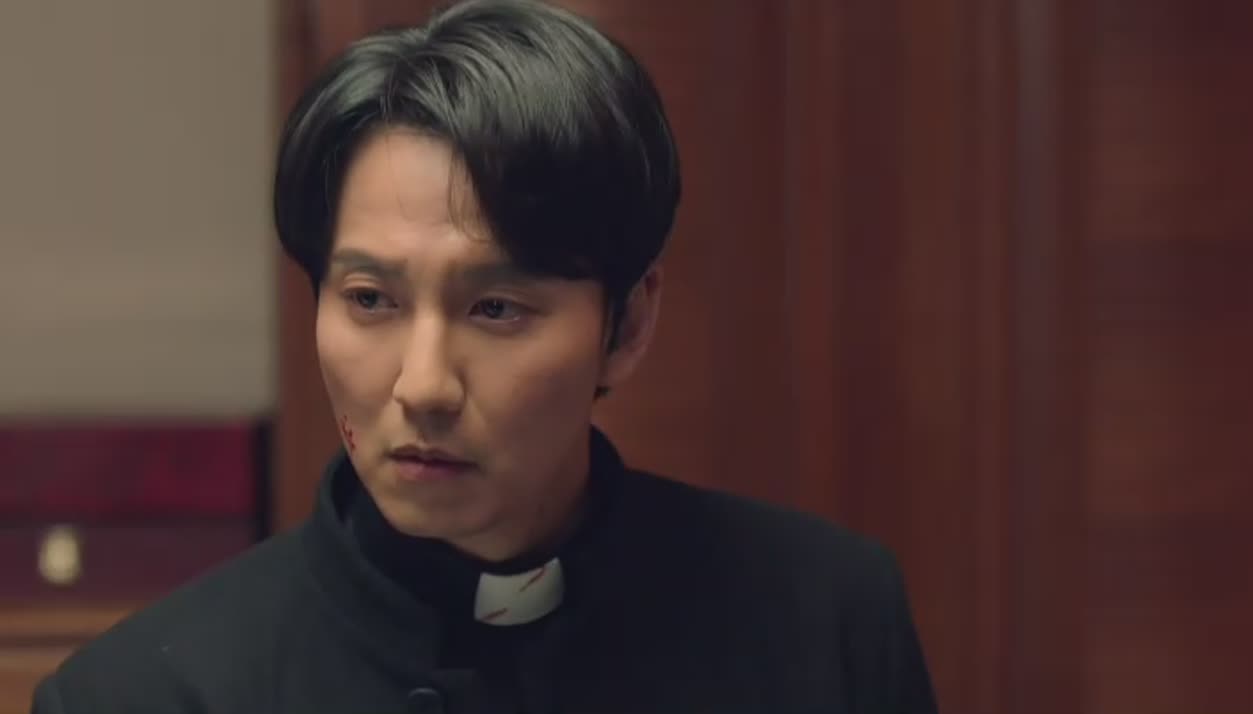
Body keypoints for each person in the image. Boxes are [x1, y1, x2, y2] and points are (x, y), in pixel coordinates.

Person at [30, 1, 937, 712]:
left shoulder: (826, 622)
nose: (423, 385)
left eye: (496, 308)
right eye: (370, 300)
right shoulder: (142, 695)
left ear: (626, 325)